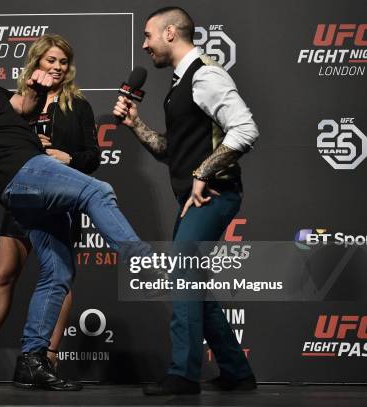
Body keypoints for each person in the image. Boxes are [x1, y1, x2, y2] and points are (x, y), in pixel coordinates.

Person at [0, 20, 149, 391]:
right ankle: (142, 259)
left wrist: (34, 91)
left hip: (27, 186)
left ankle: (31, 360)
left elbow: (18, 110)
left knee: (58, 271)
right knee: (98, 192)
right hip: (22, 173)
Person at [113, 6, 259, 396]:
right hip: (194, 199)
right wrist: (135, 124)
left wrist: (202, 173)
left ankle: (182, 374)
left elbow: (246, 129)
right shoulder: (181, 84)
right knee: (193, 283)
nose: (144, 45)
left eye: (148, 36)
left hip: (215, 195)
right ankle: (237, 371)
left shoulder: (206, 75)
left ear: (171, 33)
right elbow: (170, 151)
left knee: (182, 274)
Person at [0, 34, 100, 385]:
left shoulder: (78, 106)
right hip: (22, 197)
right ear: (36, 62)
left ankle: (46, 359)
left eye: (63, 61)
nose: (57, 67)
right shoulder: (14, 101)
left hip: (61, 201)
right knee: (4, 274)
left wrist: (66, 157)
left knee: (59, 278)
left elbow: (93, 157)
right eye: (50, 60)